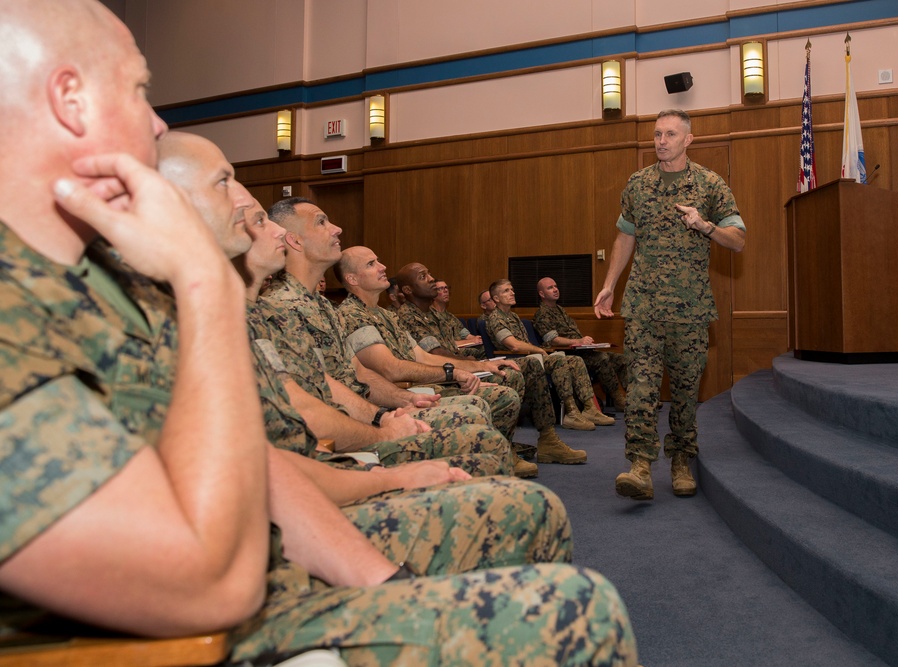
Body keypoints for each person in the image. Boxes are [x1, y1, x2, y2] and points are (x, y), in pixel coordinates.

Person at [0, 2, 639, 664]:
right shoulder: (29, 308)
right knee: (579, 613)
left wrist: (390, 585)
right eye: (138, 89)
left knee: (534, 527)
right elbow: (207, 582)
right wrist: (207, 287)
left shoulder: (101, 283)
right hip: (206, 636)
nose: (158, 120)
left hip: (277, 567)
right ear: (69, 99)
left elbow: (257, 463)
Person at [157, 132, 512, 478]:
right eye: (322, 222)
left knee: (483, 425)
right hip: (325, 451)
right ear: (294, 239)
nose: (338, 229)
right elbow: (313, 405)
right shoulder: (272, 309)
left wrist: (386, 413)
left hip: (336, 442)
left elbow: (349, 377)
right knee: (483, 439)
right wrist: (382, 425)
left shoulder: (312, 307)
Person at [594, 108, 746, 501]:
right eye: (658, 134)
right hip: (643, 305)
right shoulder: (638, 184)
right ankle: (640, 466)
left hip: (690, 308)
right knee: (641, 387)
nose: (661, 141)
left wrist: (705, 225)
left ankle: (680, 459)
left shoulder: (709, 184)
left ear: (688, 140)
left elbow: (738, 239)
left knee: (683, 390)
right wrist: (609, 284)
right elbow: (625, 236)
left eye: (670, 134)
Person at [332, 247, 538, 477]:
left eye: (378, 261)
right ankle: (484, 463)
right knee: (492, 400)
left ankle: (492, 459)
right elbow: (390, 369)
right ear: (352, 278)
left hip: (417, 387)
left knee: (498, 383)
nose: (383, 267)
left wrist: (479, 367)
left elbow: (422, 356)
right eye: (371, 264)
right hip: (394, 397)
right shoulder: (352, 314)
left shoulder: (384, 314)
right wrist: (452, 374)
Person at [487, 279, 616, 432]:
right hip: (513, 360)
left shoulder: (513, 316)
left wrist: (538, 351)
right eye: (506, 291)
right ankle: (571, 412)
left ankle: (590, 408)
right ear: (496, 298)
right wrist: (539, 350)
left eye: (512, 289)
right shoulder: (495, 318)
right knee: (558, 361)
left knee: (575, 360)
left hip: (529, 357)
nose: (512, 293)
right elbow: (513, 345)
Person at [535, 276, 628, 411]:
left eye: (555, 286)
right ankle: (618, 399)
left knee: (621, 359)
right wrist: (578, 341)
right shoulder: (542, 314)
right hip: (568, 355)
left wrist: (586, 342)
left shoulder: (560, 310)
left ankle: (633, 397)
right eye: (550, 288)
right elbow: (552, 340)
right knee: (602, 359)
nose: (555, 289)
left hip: (582, 350)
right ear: (542, 294)